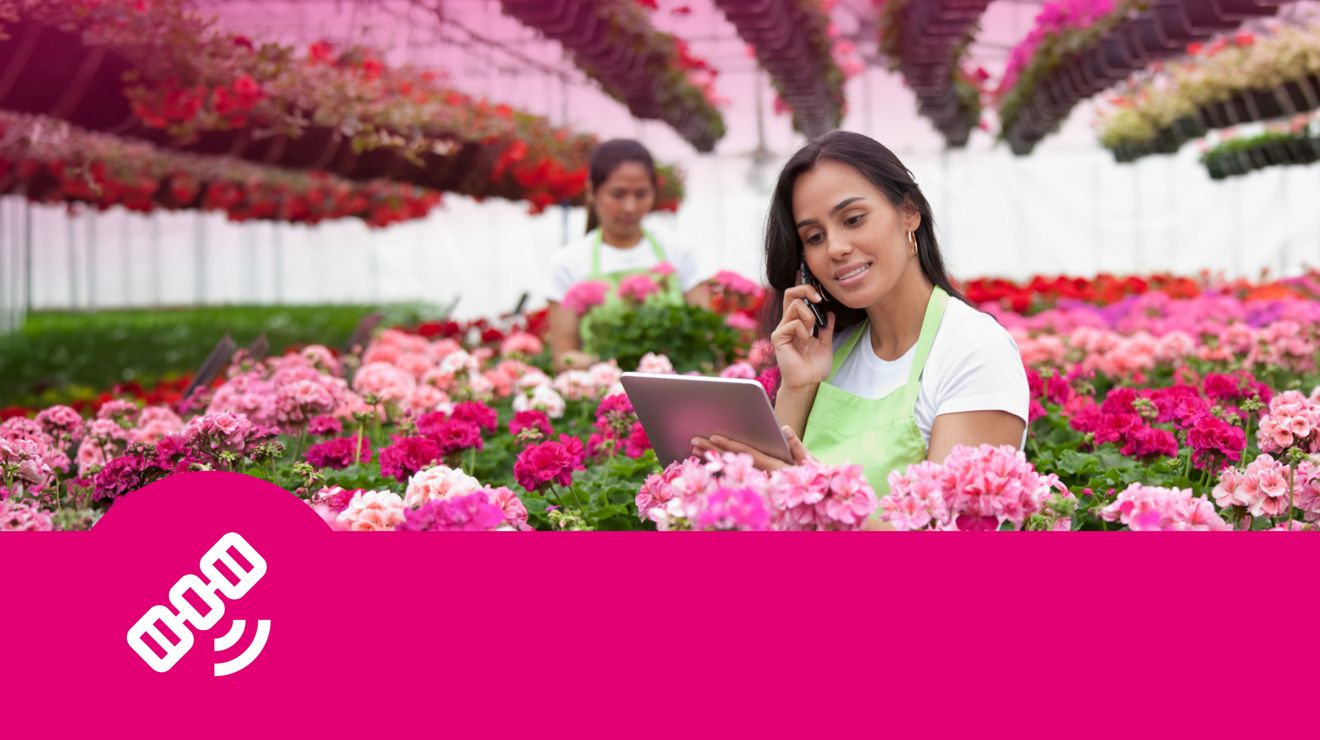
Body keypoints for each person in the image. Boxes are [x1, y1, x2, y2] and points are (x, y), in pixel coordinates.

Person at [695, 131, 1028, 499]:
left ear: (909, 212)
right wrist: (798, 387)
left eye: (853, 219)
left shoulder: (974, 349)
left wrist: (815, 495)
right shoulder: (828, 354)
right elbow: (764, 504)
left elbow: (951, 527)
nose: (835, 248)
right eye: (814, 237)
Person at [546, 139, 710, 371]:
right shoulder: (569, 263)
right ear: (592, 192)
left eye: (641, 194)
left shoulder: (678, 251)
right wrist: (615, 366)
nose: (629, 207)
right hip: (605, 388)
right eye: (618, 194)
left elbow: (705, 331)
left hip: (676, 381)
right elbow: (564, 357)